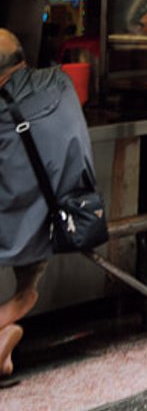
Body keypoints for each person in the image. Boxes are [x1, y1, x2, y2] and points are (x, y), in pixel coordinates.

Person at [0, 29, 98, 380]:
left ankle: (7, 322)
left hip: (15, 229)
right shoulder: (60, 84)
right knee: (27, 283)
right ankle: (4, 343)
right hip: (64, 215)